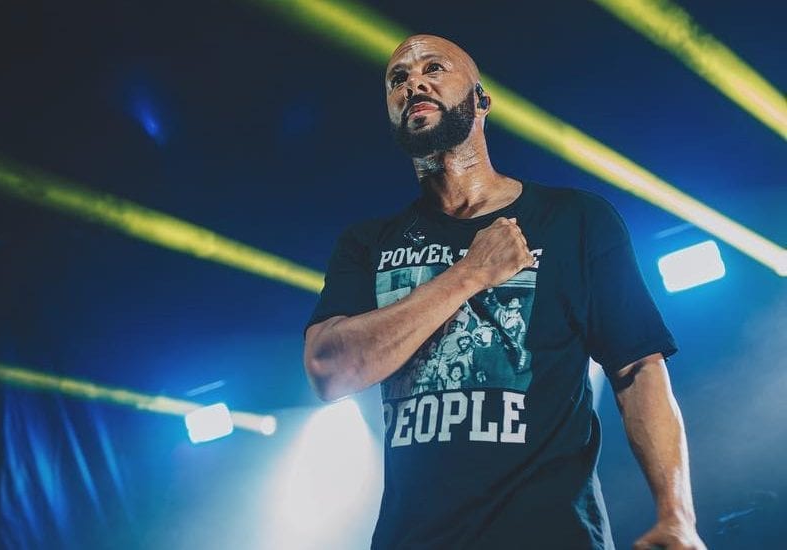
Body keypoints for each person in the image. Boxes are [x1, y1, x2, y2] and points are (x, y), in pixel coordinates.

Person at [302, 34, 705, 549]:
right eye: (397, 79)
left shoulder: (575, 220)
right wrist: (470, 273)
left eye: (434, 68)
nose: (413, 83)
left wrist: (676, 515)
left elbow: (637, 369)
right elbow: (329, 370)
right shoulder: (367, 243)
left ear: (481, 101)